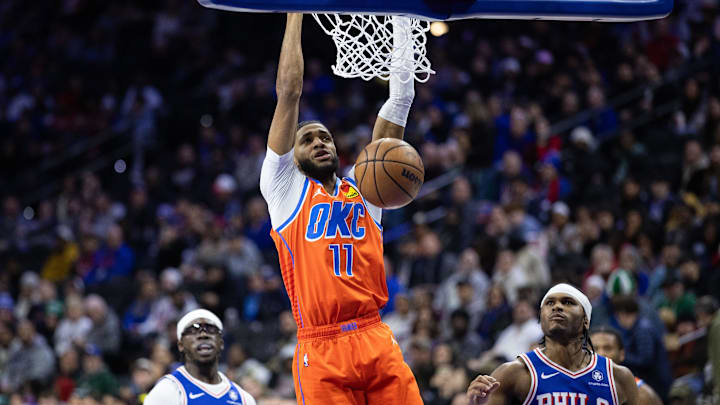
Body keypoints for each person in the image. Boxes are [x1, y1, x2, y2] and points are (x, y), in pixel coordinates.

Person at [259, 13, 423, 405]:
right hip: (321, 345)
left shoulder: (367, 188)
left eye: (325, 137)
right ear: (293, 158)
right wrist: (296, 11)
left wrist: (404, 20)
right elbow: (289, 92)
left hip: (373, 334)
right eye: (308, 139)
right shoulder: (283, 189)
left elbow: (401, 99)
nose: (319, 142)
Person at [466, 283, 639, 405]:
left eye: (568, 302)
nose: (557, 307)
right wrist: (476, 404)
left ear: (586, 320)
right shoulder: (514, 373)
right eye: (550, 303)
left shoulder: (618, 377)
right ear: (541, 319)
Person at [144, 309, 256, 405]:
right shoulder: (167, 391)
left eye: (211, 329)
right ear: (181, 345)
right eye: (193, 330)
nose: (203, 334)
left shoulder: (244, 399)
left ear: (221, 343)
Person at [590, 327, 662, 405]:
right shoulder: (578, 383)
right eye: (595, 348)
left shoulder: (640, 393)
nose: (601, 353)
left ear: (622, 354)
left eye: (608, 348)